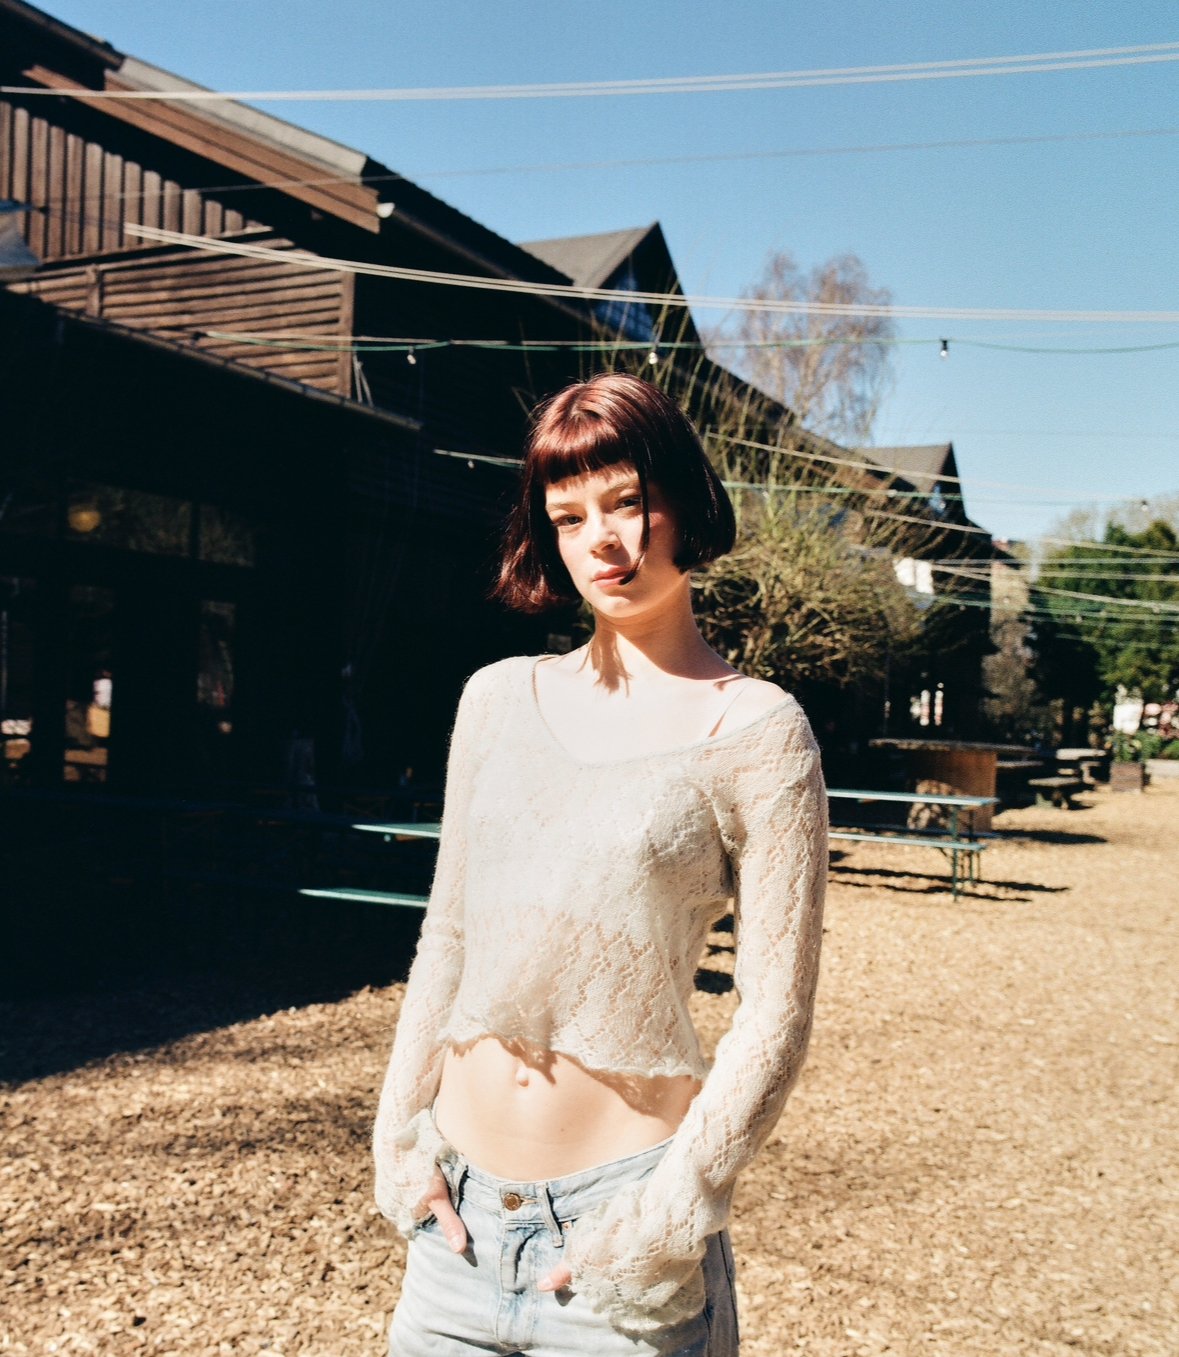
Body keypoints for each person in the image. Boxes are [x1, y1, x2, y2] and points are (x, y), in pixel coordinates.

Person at [373, 372, 828, 1355]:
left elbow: (776, 1012)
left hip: (622, 1252)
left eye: (627, 502)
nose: (603, 541)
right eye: (569, 515)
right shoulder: (496, 701)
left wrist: (667, 1217)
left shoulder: (758, 730)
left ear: (683, 503)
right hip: (453, 1232)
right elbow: (447, 937)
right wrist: (398, 1141)